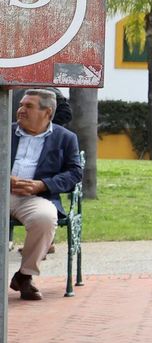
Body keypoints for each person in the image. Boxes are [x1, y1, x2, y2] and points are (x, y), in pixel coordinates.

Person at [9, 89, 82, 301]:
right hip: (4, 192)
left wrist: (42, 185)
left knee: (45, 218)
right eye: (21, 105)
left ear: (47, 112)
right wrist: (6, 179)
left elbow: (75, 173)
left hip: (36, 197)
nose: (20, 110)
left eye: (28, 106)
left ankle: (25, 275)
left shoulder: (66, 138)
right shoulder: (5, 130)